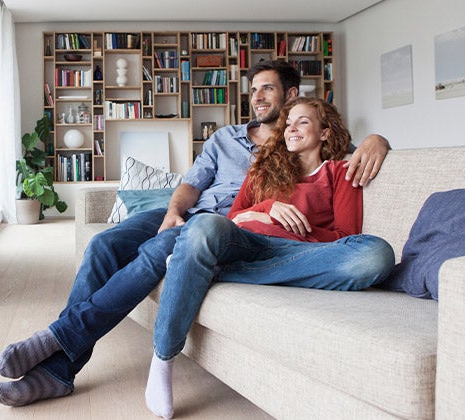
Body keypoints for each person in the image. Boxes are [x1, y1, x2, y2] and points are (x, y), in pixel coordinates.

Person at [0, 61, 390, 407]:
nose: (257, 97)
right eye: (253, 90)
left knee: (159, 252)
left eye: (267, 88)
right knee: (103, 244)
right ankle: (61, 364)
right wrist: (171, 211)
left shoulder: (301, 140)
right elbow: (191, 184)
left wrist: (378, 138)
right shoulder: (226, 139)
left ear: (290, 94)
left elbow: (343, 151)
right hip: (192, 214)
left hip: (227, 233)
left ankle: (57, 361)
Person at [144, 97, 395, 419]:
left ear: (325, 133)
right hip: (249, 242)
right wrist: (267, 209)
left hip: (302, 253)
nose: (291, 128)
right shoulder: (262, 169)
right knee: (204, 224)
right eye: (289, 122)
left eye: (303, 122)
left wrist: (301, 232)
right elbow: (233, 218)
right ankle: (163, 360)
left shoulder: (339, 172)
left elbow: (345, 237)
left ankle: (204, 268)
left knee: (375, 253)